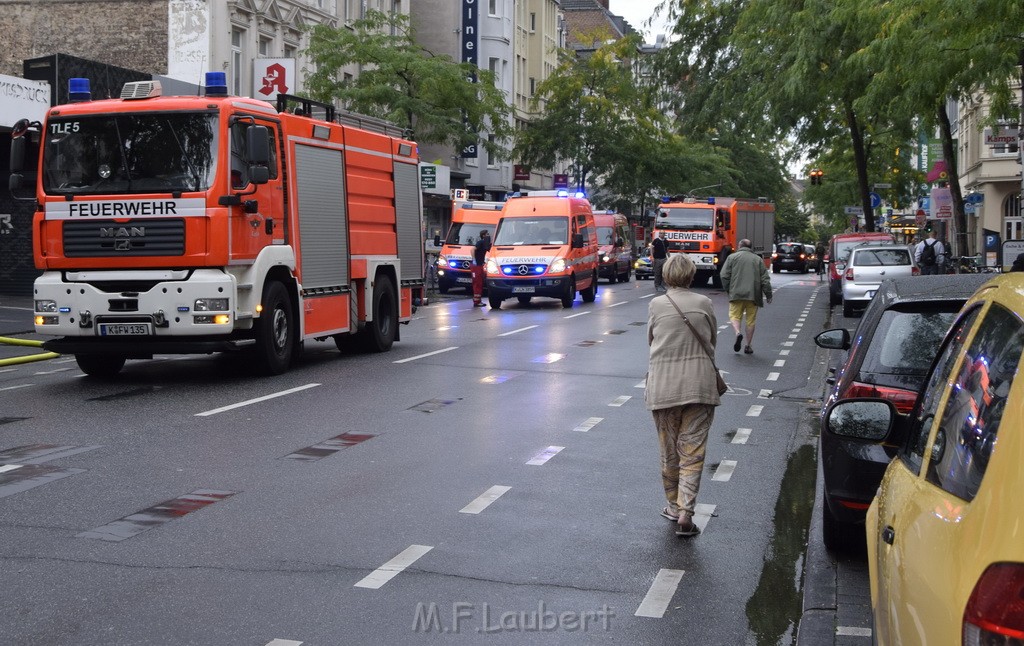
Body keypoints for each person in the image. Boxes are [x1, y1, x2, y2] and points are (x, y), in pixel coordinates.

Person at [645, 253, 722, 537]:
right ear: (691, 276)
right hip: (700, 386)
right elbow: (712, 339)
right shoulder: (704, 303)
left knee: (669, 450)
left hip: (664, 386)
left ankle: (672, 506)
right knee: (692, 451)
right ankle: (686, 512)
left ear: (666, 276)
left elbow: (651, 340)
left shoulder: (656, 304)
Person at [719, 238, 773, 354]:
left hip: (736, 294)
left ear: (739, 246)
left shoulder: (732, 258)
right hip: (753, 295)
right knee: (750, 320)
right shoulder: (758, 260)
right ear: (750, 247)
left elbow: (724, 275)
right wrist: (768, 294)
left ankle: (738, 332)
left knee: (734, 316)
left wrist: (729, 289)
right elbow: (765, 280)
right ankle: (748, 346)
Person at [472, 229, 491, 306]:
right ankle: (477, 301)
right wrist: (474, 260)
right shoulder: (481, 242)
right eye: (487, 234)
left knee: (479, 283)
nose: (488, 235)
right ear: (483, 235)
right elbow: (472, 249)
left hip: (479, 265)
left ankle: (477, 300)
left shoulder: (485, 243)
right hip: (476, 266)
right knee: (477, 283)